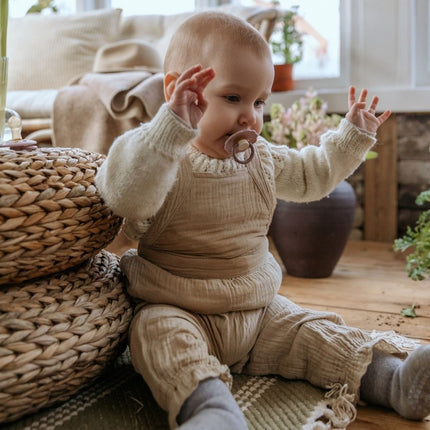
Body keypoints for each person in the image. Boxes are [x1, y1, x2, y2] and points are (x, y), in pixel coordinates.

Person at [95, 11, 430, 430]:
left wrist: (351, 136)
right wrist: (169, 131)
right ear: (176, 93)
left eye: (258, 102)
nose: (250, 117)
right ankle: (211, 411)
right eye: (232, 98)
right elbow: (125, 193)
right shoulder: (163, 161)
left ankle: (395, 382)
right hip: (179, 308)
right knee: (158, 341)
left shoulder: (262, 158)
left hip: (259, 311)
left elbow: (313, 175)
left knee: (318, 334)